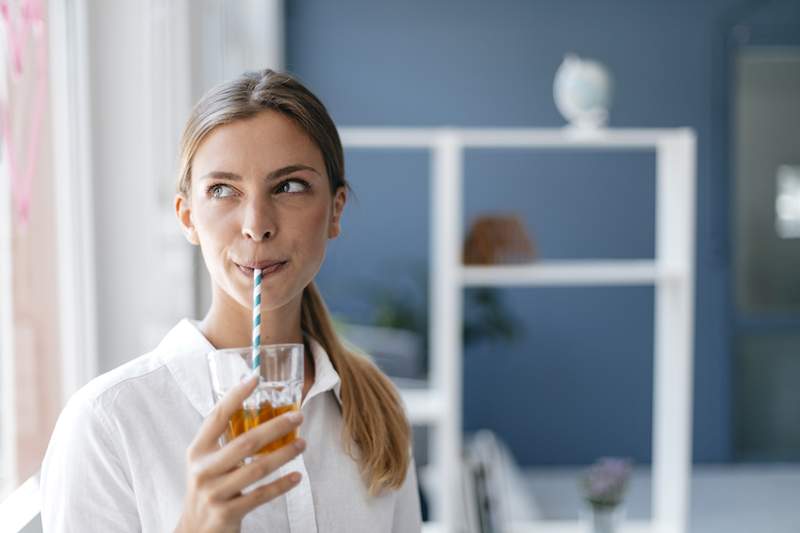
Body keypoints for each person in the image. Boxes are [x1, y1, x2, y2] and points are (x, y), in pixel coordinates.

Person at [39, 69, 422, 532]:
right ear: (188, 218)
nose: (256, 224)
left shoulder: (379, 409)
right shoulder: (107, 424)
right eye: (223, 190)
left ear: (335, 210)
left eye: (289, 186)